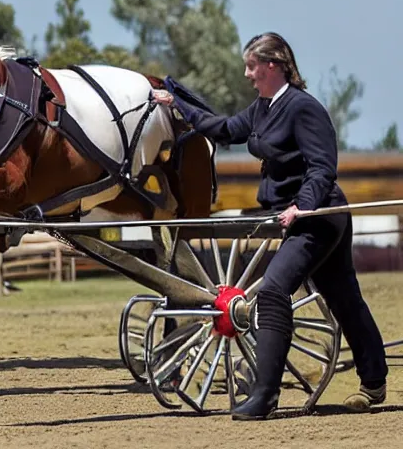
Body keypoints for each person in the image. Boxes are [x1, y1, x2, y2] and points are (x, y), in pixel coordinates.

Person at [154, 32, 388, 420]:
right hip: (296, 216)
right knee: (344, 297)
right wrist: (177, 104)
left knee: (275, 290)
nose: (247, 74)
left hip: (319, 217)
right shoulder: (263, 107)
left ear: (274, 65)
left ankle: (266, 395)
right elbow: (226, 129)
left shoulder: (303, 108)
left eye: (252, 66)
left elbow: (323, 168)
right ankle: (375, 381)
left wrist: (302, 206)